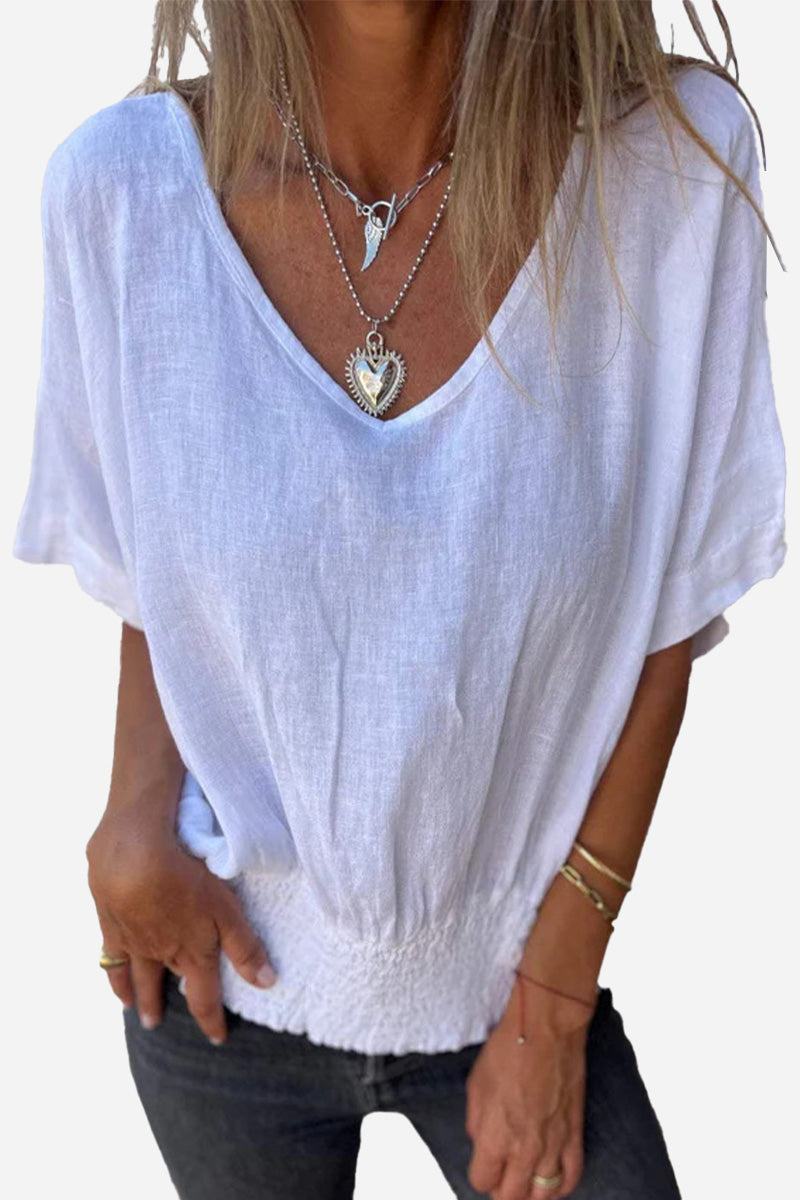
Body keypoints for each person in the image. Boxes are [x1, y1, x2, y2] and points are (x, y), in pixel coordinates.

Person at [11, 2, 787, 1198]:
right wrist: (130, 819)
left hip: (520, 979)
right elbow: (154, 563)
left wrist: (552, 1001)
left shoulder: (666, 170)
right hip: (218, 982)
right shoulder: (118, 193)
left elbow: (667, 613)